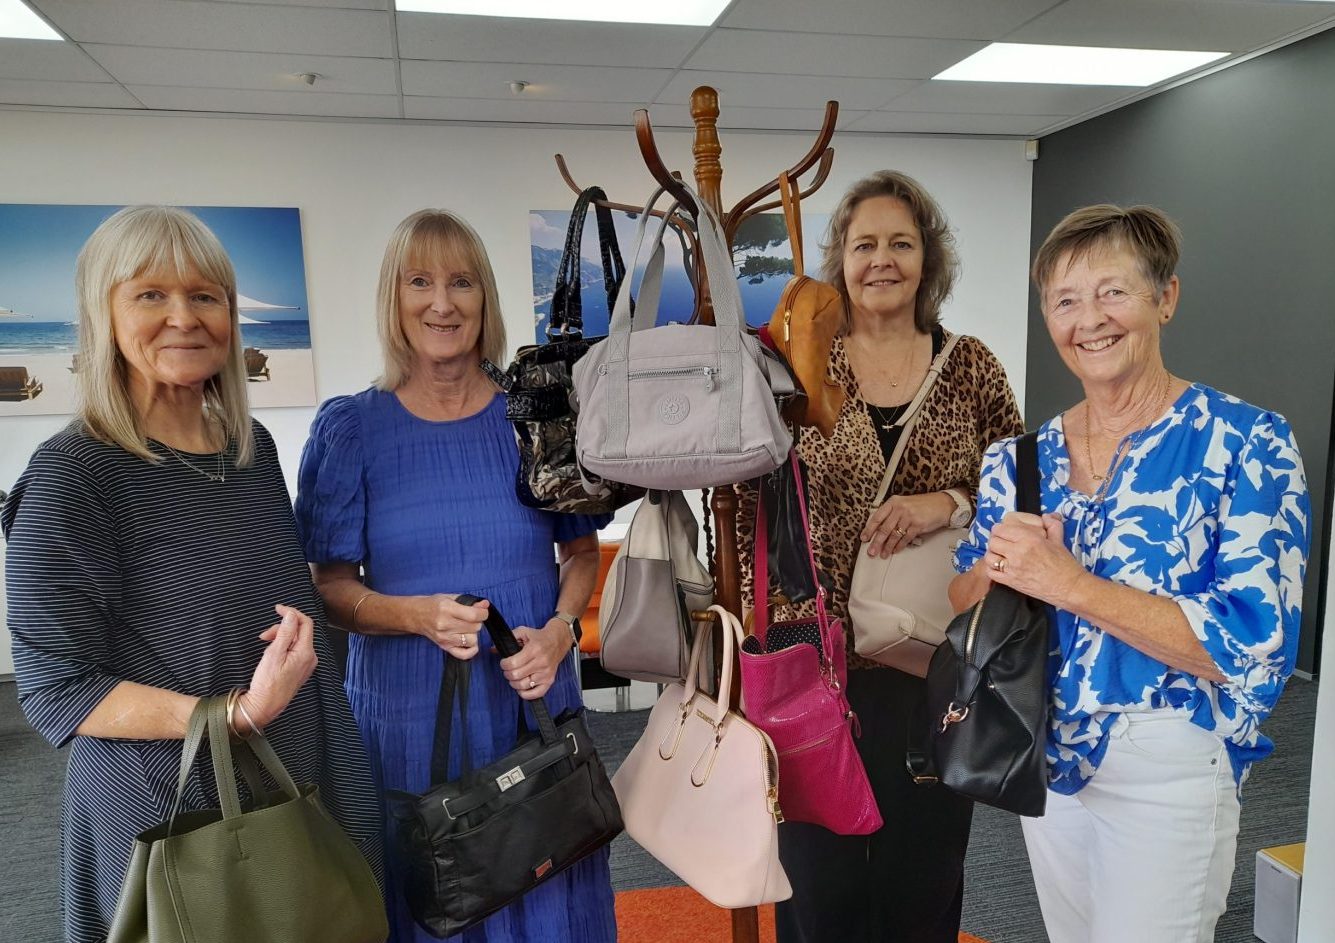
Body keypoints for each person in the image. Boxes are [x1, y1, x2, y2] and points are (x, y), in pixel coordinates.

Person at [1, 205, 383, 943]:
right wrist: (238, 713)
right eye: (151, 294)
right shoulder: (72, 473)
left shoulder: (249, 447)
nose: (184, 317)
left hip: (293, 766)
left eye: (205, 296)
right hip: (170, 804)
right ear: (103, 314)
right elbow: (56, 691)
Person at [951, 204, 1310, 942]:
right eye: (1065, 301)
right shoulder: (1018, 460)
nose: (1089, 319)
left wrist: (1067, 582)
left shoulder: (1245, 443)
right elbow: (963, 599)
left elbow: (1251, 645)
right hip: (1044, 751)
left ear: (1165, 298)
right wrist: (1003, 565)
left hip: (1170, 758)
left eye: (1112, 291)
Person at [294, 209, 616, 943]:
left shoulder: (534, 421)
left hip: (528, 705)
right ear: (394, 298)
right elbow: (329, 586)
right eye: (420, 282)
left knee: (547, 882)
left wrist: (562, 633)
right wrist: (416, 614)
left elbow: (580, 555)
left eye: (461, 282)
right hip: (407, 716)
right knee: (432, 895)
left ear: (484, 299)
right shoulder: (351, 430)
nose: (441, 303)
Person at [741, 170, 1025, 942]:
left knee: (923, 872)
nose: (881, 260)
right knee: (817, 881)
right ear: (841, 258)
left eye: (900, 243)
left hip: (937, 660)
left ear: (927, 258)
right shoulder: (796, 365)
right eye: (864, 244)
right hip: (812, 660)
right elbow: (749, 510)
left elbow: (1021, 495)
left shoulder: (970, 368)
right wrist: (749, 645)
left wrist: (949, 501)